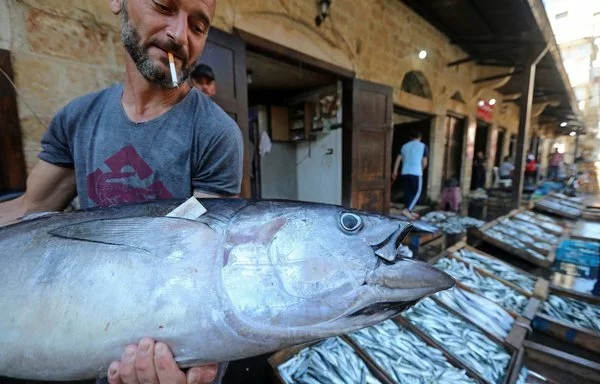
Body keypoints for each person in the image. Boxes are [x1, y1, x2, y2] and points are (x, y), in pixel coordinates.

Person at [0, 0, 243, 383]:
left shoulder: (215, 134)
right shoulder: (77, 118)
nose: (179, 35)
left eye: (198, 27)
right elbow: (31, 210)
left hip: (154, 340)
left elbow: (203, 263)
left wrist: (198, 368)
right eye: (164, 6)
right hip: (82, 327)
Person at [391, 130, 428, 219]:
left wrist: (394, 171)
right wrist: (421, 169)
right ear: (420, 138)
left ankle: (409, 211)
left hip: (405, 172)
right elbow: (424, 162)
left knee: (408, 192)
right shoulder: (423, 146)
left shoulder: (404, 146)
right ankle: (407, 210)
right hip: (416, 172)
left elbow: (398, 159)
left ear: (410, 138)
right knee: (416, 192)